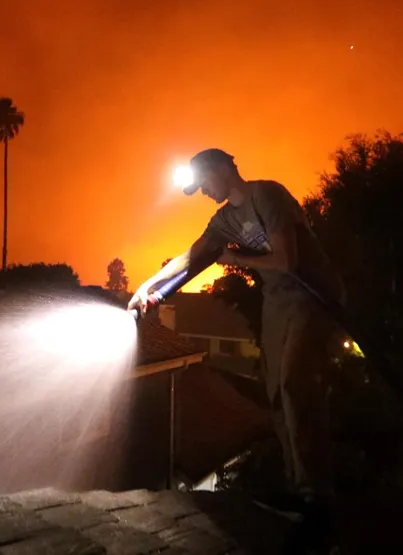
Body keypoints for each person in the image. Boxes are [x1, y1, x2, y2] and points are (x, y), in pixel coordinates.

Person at [128, 148, 346, 523]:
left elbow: (286, 261)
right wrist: (147, 286)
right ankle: (299, 489)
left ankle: (318, 497)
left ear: (221, 168)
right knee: (277, 392)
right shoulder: (223, 220)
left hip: (313, 296)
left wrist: (236, 260)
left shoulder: (267, 195)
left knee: (296, 384)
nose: (204, 193)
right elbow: (191, 256)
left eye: (204, 183)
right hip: (276, 303)